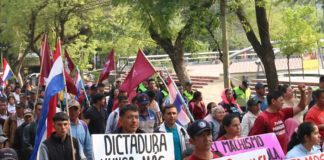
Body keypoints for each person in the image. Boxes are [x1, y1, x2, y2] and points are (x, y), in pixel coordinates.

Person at [249, 84, 307, 153]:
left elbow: (301, 107)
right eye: (281, 100)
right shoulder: (262, 118)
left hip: (284, 154)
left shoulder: (282, 113)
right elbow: (254, 140)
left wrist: (302, 92)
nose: (283, 103)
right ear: (273, 101)